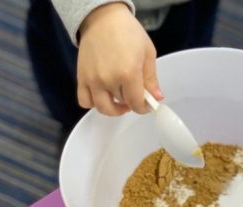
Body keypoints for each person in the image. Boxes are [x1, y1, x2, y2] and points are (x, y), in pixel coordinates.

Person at [26, 0, 220, 146]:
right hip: (81, 18)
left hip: (185, 8)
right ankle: (76, 129)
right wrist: (98, 13)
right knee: (77, 88)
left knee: (181, 70)